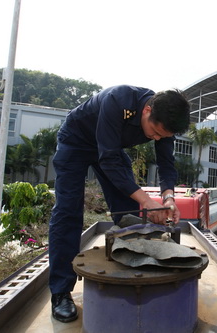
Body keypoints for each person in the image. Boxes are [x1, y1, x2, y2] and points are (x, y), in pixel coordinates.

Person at [48, 85, 191, 323]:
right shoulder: (118, 100)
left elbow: (166, 162)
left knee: (129, 210)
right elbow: (109, 159)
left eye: (161, 137)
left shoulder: (165, 119)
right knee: (67, 212)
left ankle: (133, 263)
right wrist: (147, 201)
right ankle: (61, 292)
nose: (155, 139)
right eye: (154, 132)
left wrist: (168, 199)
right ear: (146, 110)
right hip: (76, 142)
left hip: (110, 150)